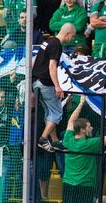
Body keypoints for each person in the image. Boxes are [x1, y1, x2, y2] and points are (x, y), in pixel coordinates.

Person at [32, 23, 76, 152]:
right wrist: (58, 86)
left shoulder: (48, 41)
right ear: (68, 34)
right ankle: (44, 139)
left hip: (36, 82)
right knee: (57, 112)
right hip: (46, 83)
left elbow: (35, 61)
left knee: (50, 112)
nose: (72, 39)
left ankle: (55, 141)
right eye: (72, 36)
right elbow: (52, 66)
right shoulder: (57, 44)